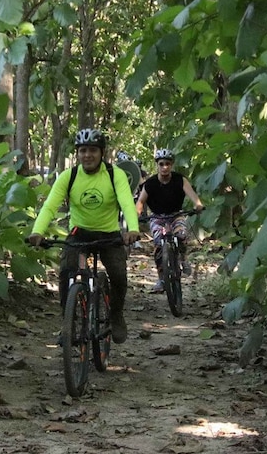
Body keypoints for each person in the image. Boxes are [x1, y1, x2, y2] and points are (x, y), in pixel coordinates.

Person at [28, 129, 140, 343]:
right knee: (66, 272)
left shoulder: (114, 174)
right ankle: (67, 324)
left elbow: (127, 202)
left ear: (101, 153)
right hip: (80, 233)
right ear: (78, 153)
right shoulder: (68, 177)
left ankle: (116, 315)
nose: (87, 155)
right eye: (83, 151)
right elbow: (50, 206)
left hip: (109, 234)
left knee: (118, 275)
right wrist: (37, 231)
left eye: (92, 151)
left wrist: (132, 229)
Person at [135, 148, 204, 293]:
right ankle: (161, 278)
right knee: (159, 245)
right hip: (157, 217)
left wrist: (197, 204)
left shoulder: (180, 179)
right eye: (161, 164)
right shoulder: (151, 183)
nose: (164, 167)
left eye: (167, 164)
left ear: (171, 165)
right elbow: (140, 202)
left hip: (175, 214)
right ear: (157, 165)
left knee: (181, 234)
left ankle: (183, 258)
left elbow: (192, 194)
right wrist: (136, 215)